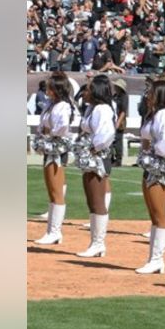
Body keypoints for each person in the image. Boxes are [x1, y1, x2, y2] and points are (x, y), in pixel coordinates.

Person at [136, 79, 165, 274]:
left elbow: (164, 145)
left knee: (159, 214)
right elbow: (147, 139)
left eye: (151, 93)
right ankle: (153, 259)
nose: (148, 96)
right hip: (150, 166)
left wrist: (151, 151)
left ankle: (157, 259)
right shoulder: (153, 113)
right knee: (154, 215)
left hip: (159, 167)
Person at [74, 75, 117, 258]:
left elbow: (107, 134)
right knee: (91, 200)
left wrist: (93, 149)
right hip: (91, 156)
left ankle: (98, 243)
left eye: (89, 89)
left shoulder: (102, 109)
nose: (85, 92)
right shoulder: (92, 108)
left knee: (97, 200)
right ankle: (95, 243)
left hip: (97, 157)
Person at [32, 72, 75, 245]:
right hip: (49, 146)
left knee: (56, 191)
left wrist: (50, 133)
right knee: (51, 190)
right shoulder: (51, 104)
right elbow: (43, 123)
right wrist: (43, 132)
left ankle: (55, 231)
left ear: (56, 88)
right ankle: (51, 230)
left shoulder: (63, 106)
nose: (46, 88)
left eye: (50, 86)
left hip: (56, 149)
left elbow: (63, 126)